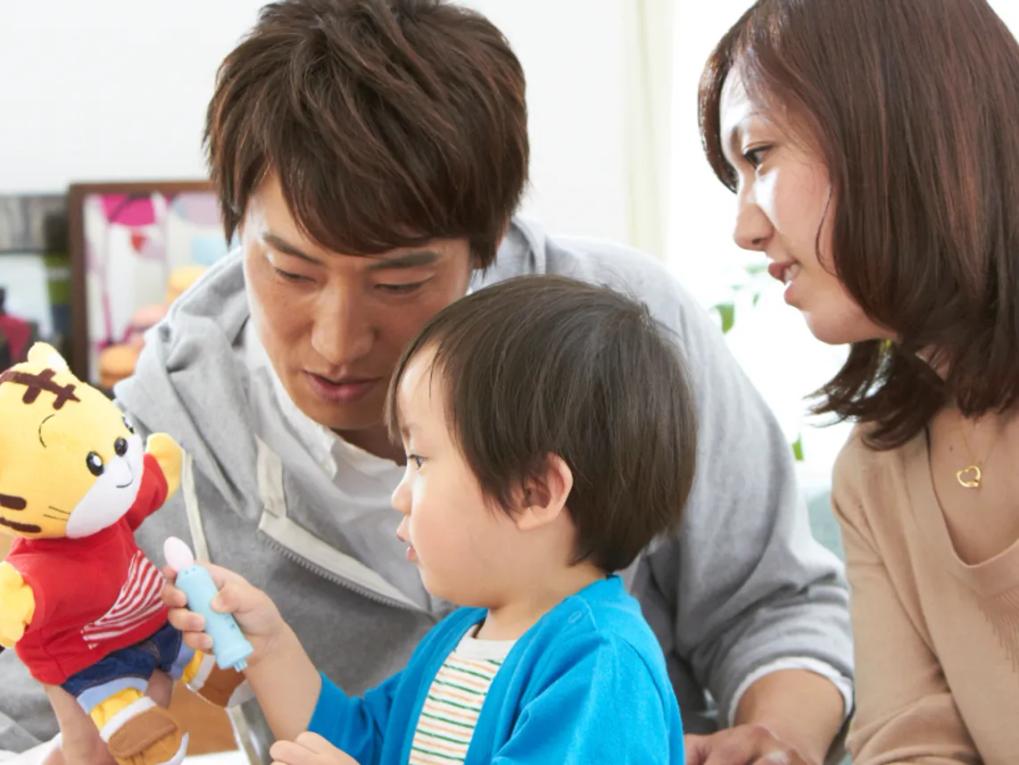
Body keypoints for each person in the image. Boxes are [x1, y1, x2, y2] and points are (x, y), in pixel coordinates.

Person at [0, 2, 853, 764]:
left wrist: (777, 736)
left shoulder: (632, 335)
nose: (338, 340)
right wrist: (268, 650)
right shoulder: (134, 455)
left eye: (399, 281)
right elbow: (357, 735)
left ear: (487, 241)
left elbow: (777, 602)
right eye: (292, 270)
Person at [165, 275, 693, 764]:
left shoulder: (601, 664)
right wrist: (270, 649)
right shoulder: (460, 638)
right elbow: (357, 745)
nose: (400, 495)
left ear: (534, 492)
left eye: (419, 460)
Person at [698, 0, 1019, 761]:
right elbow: (912, 743)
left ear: (894, 129)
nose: (744, 229)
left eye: (760, 155)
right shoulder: (876, 473)